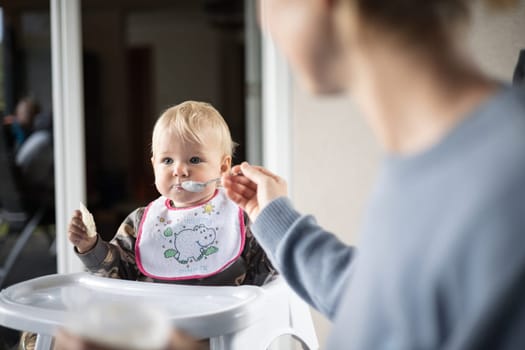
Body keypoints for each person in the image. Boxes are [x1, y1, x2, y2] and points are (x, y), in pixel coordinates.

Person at [222, 0, 525, 349]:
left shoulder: (502, 187)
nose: (263, 21)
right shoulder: (435, 162)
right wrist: (277, 222)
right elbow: (395, 308)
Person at [60, 101, 273, 350]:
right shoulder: (141, 221)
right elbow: (116, 274)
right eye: (167, 160)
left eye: (194, 159)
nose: (180, 170)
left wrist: (269, 217)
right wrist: (90, 246)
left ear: (223, 167)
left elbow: (269, 273)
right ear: (153, 165)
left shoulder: (241, 214)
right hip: (150, 335)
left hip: (218, 336)